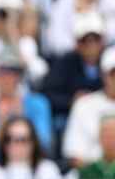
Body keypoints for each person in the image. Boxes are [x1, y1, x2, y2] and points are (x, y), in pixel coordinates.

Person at [0, 50, 53, 171]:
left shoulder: (38, 104)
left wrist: (21, 123)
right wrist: (2, 129)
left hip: (32, 169)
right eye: (2, 72)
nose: (9, 78)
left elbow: (45, 145)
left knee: (48, 170)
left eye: (14, 72)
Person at [43, 10, 105, 142]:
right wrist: (71, 101)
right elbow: (47, 93)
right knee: (59, 123)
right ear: (77, 44)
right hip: (72, 116)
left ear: (102, 42)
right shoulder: (64, 63)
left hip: (106, 113)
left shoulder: (110, 61)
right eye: (85, 41)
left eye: (95, 40)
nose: (91, 46)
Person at [63, 46, 115, 169]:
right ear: (103, 75)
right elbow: (74, 156)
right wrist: (103, 176)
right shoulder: (83, 105)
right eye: (113, 74)